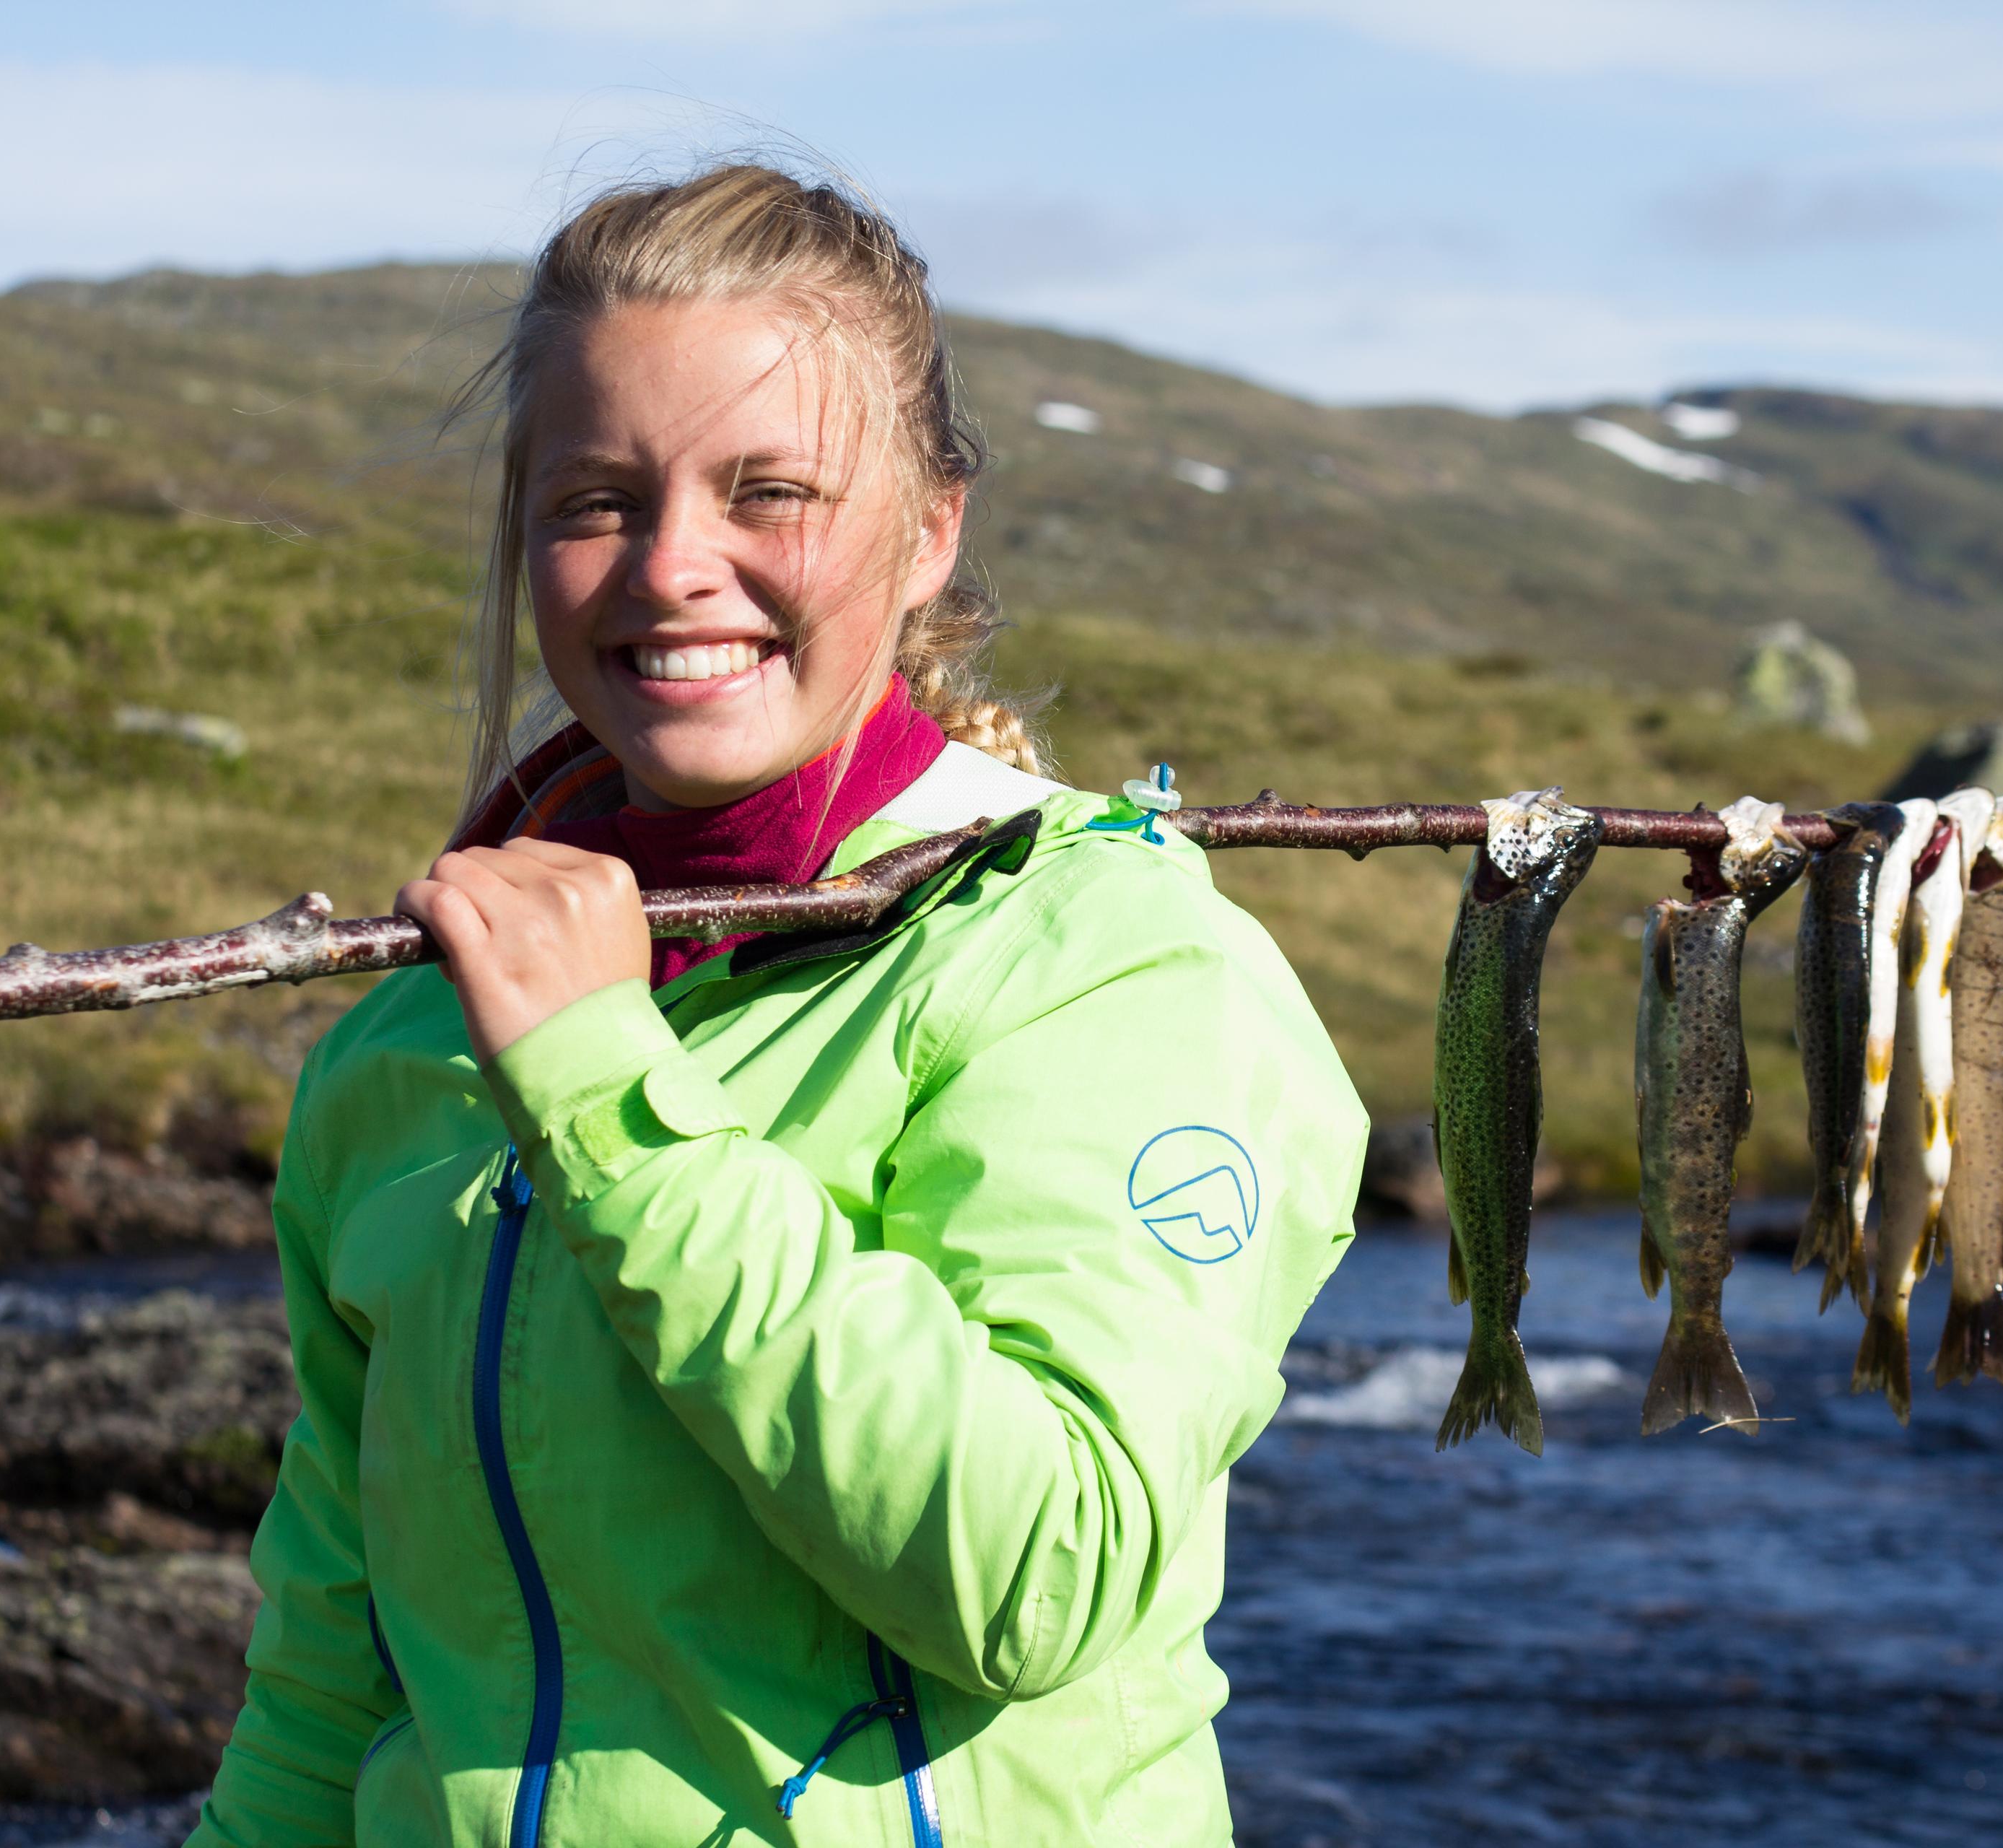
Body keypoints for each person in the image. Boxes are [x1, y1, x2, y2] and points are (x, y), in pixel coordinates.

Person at [188, 163, 1365, 1847]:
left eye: (770, 490)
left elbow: (1044, 1567)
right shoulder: (414, 1036)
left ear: (930, 525)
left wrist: (606, 1099)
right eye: (597, 497)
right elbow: (327, 1669)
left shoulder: (1105, 956)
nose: (673, 566)